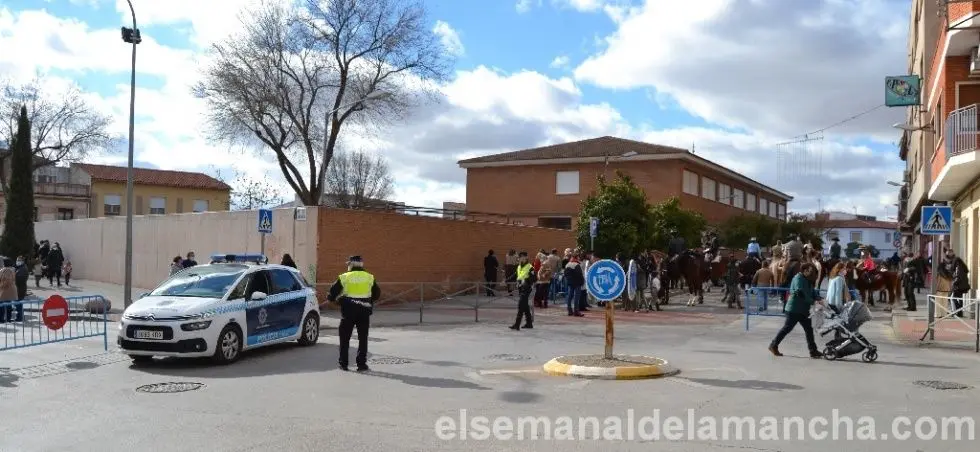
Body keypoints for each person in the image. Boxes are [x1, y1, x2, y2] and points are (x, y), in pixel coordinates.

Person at [326, 255, 381, 372]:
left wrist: (336, 299)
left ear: (350, 265)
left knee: (345, 338)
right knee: (363, 338)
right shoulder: (369, 277)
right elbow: (377, 294)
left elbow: (332, 293)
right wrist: (367, 300)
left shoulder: (344, 277)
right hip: (364, 311)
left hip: (348, 311)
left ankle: (344, 364)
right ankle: (361, 364)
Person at [768, 263, 822, 358]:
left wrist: (818, 298)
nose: (812, 274)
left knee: (809, 330)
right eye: (810, 272)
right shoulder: (798, 278)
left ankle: (813, 350)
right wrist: (813, 301)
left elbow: (812, 291)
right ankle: (773, 345)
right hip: (794, 309)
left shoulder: (808, 279)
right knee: (787, 328)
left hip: (804, 310)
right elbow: (800, 292)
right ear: (805, 270)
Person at [510, 252, 535, 330]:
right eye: (519, 257)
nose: (519, 258)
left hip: (526, 288)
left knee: (521, 305)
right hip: (520, 288)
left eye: (521, 257)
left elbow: (534, 278)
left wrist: (526, 281)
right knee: (525, 306)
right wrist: (506, 280)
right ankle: (529, 323)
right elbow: (515, 275)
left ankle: (517, 324)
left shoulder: (530, 267)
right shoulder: (519, 266)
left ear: (526, 257)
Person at [942, 249, 970, 317]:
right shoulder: (961, 265)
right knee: (959, 298)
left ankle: (956, 311)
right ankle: (959, 312)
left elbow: (958, 276)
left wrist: (954, 283)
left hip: (958, 285)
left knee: (952, 297)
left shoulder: (958, 265)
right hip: (962, 285)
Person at [563, 251, 586, 317]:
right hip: (577, 283)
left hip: (570, 282)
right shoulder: (576, 265)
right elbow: (579, 275)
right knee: (576, 297)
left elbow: (565, 274)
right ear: (576, 257)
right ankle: (576, 311)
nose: (579, 258)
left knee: (569, 296)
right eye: (578, 257)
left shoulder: (567, 264)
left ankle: (569, 311)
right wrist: (582, 282)